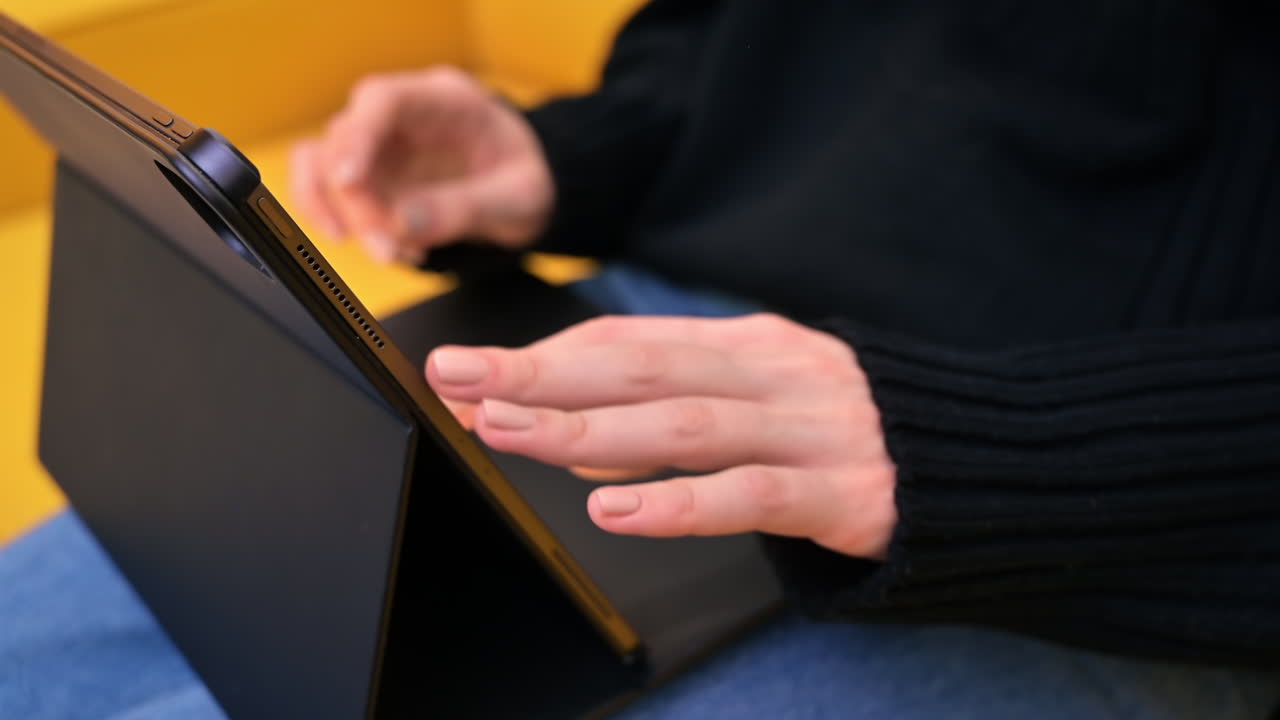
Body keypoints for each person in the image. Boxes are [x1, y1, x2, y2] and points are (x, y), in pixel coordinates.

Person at [4, 1, 1280, 718]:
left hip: (1101, 517)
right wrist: (577, 153)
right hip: (622, 329)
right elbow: (739, 44)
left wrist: (1006, 452)